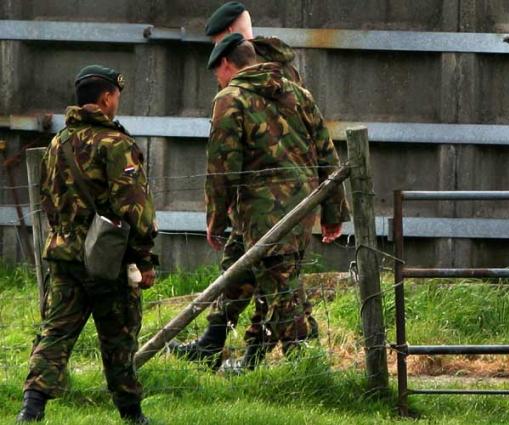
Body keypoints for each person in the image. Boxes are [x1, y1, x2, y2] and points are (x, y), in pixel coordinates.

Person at [169, 1, 319, 369]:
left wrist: (215, 215)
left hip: (271, 201)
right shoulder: (264, 73)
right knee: (238, 265)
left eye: (221, 42)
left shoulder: (276, 75)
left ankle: (271, 355)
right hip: (259, 201)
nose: (216, 54)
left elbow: (226, 162)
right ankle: (213, 341)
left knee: (273, 276)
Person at [16, 65, 158, 423]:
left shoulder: (57, 144)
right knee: (119, 339)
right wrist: (144, 260)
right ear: (106, 98)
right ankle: (133, 415)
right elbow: (135, 208)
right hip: (106, 260)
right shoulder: (117, 145)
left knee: (55, 335)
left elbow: (48, 200)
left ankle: (30, 409)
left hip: (63, 255)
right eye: (116, 97)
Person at [203, 33, 349, 371]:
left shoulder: (231, 98)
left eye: (216, 73)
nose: (218, 80)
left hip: (260, 212)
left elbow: (222, 166)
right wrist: (333, 212)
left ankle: (309, 366)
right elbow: (327, 154)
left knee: (281, 292)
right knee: (265, 279)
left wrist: (215, 219)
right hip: (301, 209)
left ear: (226, 65)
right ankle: (236, 354)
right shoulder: (297, 93)